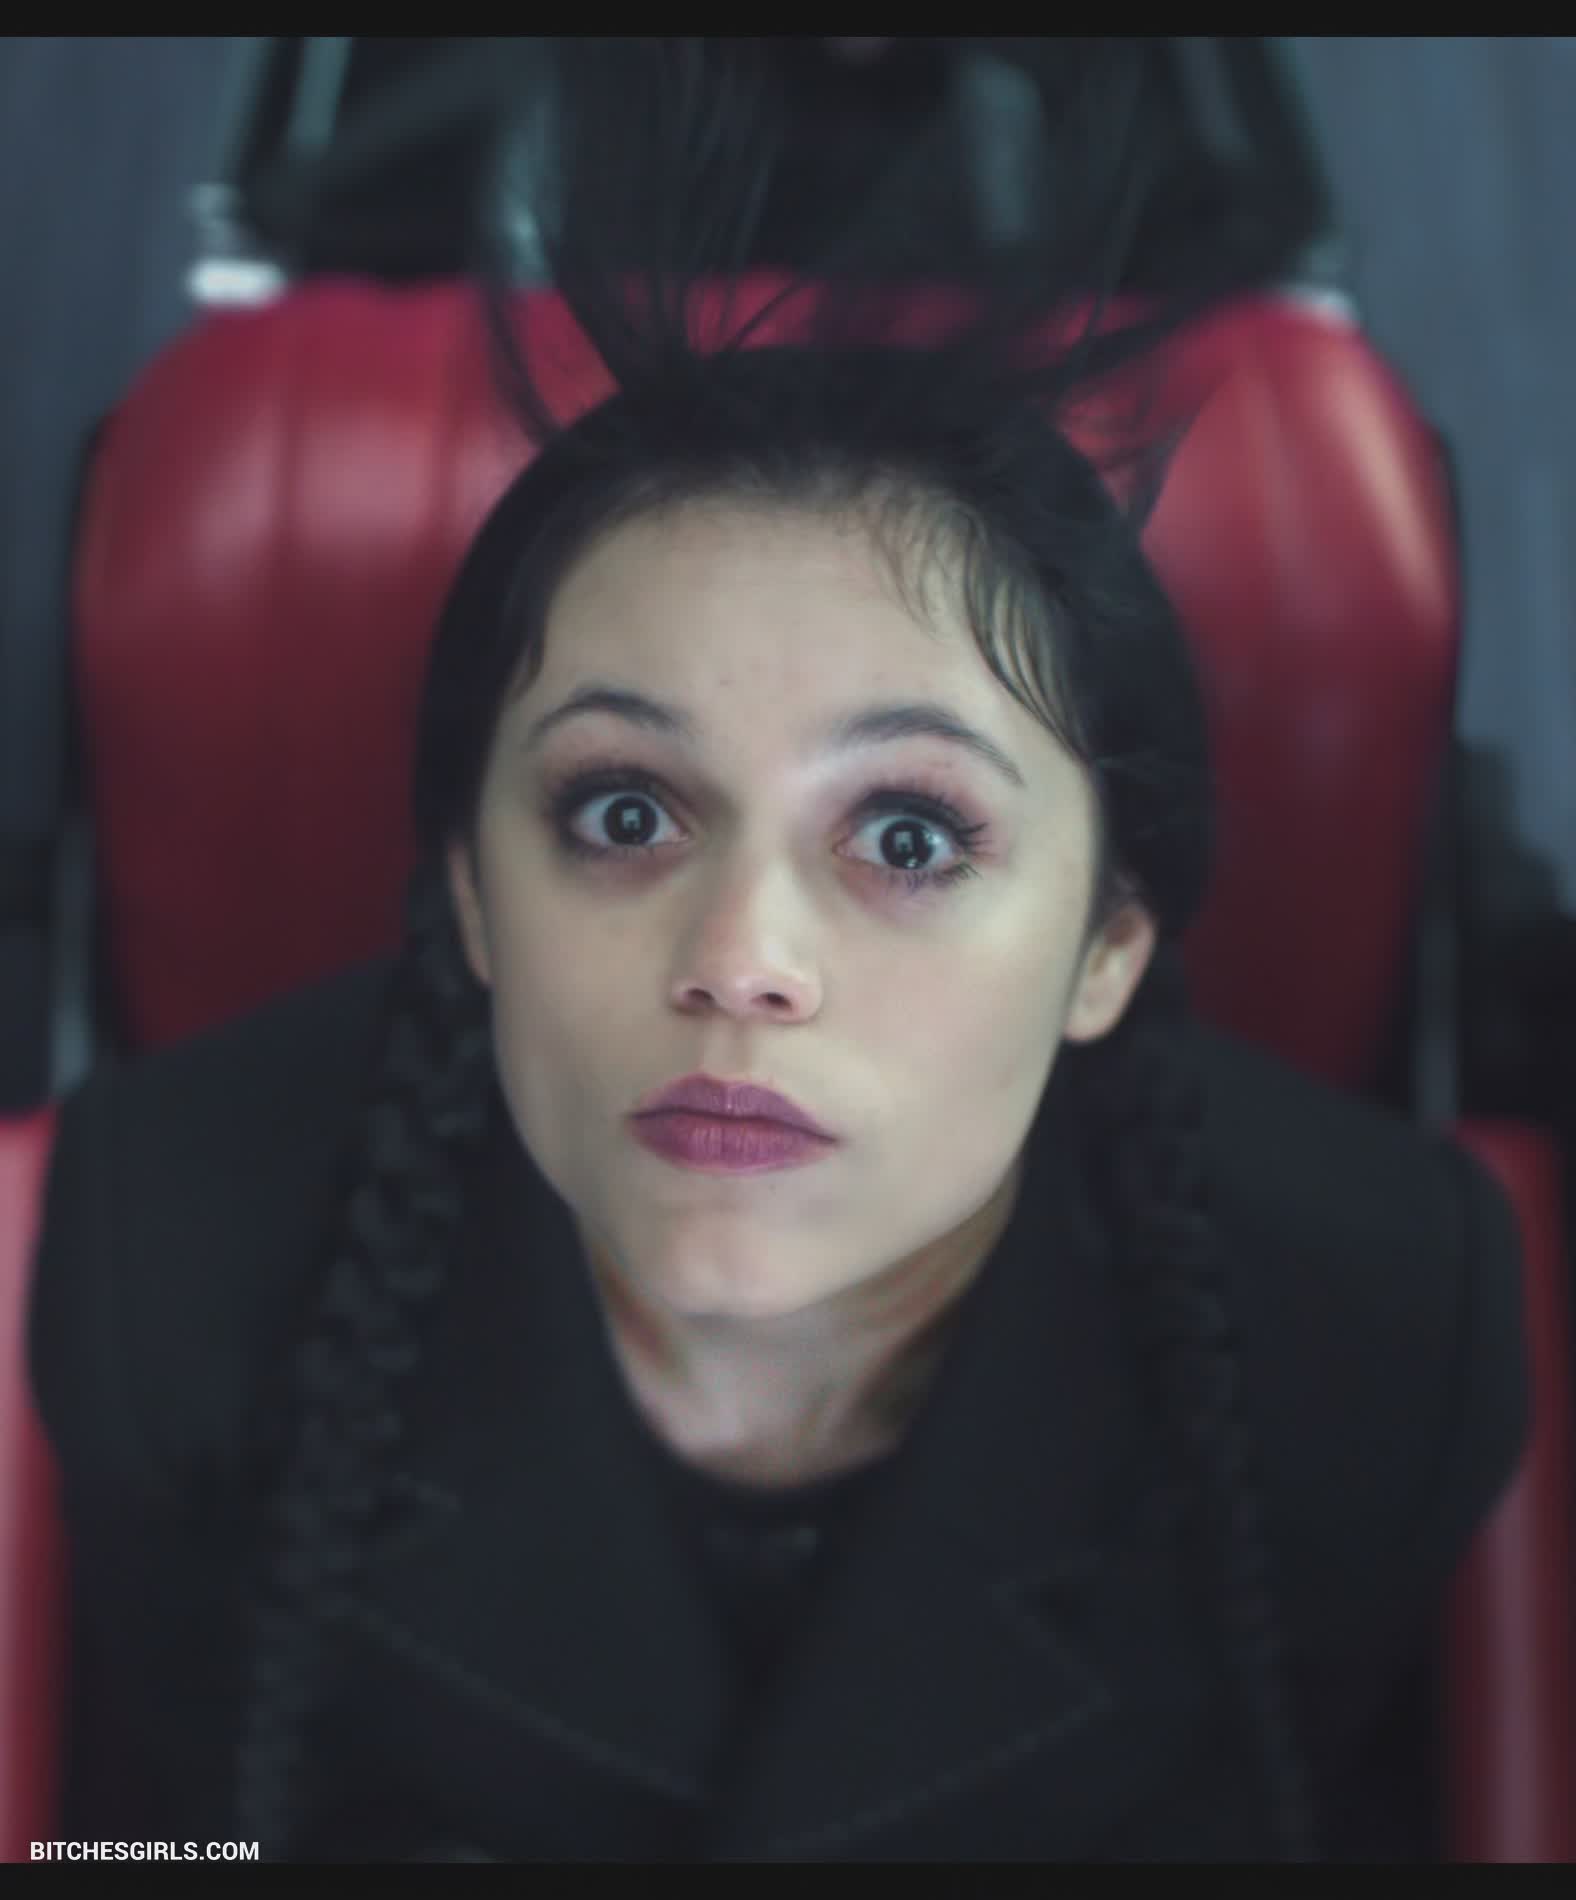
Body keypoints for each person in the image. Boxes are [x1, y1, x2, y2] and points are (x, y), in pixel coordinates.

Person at [27, 40, 1529, 1862]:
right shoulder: (155, 1277)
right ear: (475, 895)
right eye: (623, 813)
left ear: (1107, 947)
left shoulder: (1385, 1337)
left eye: (908, 838)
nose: (742, 960)